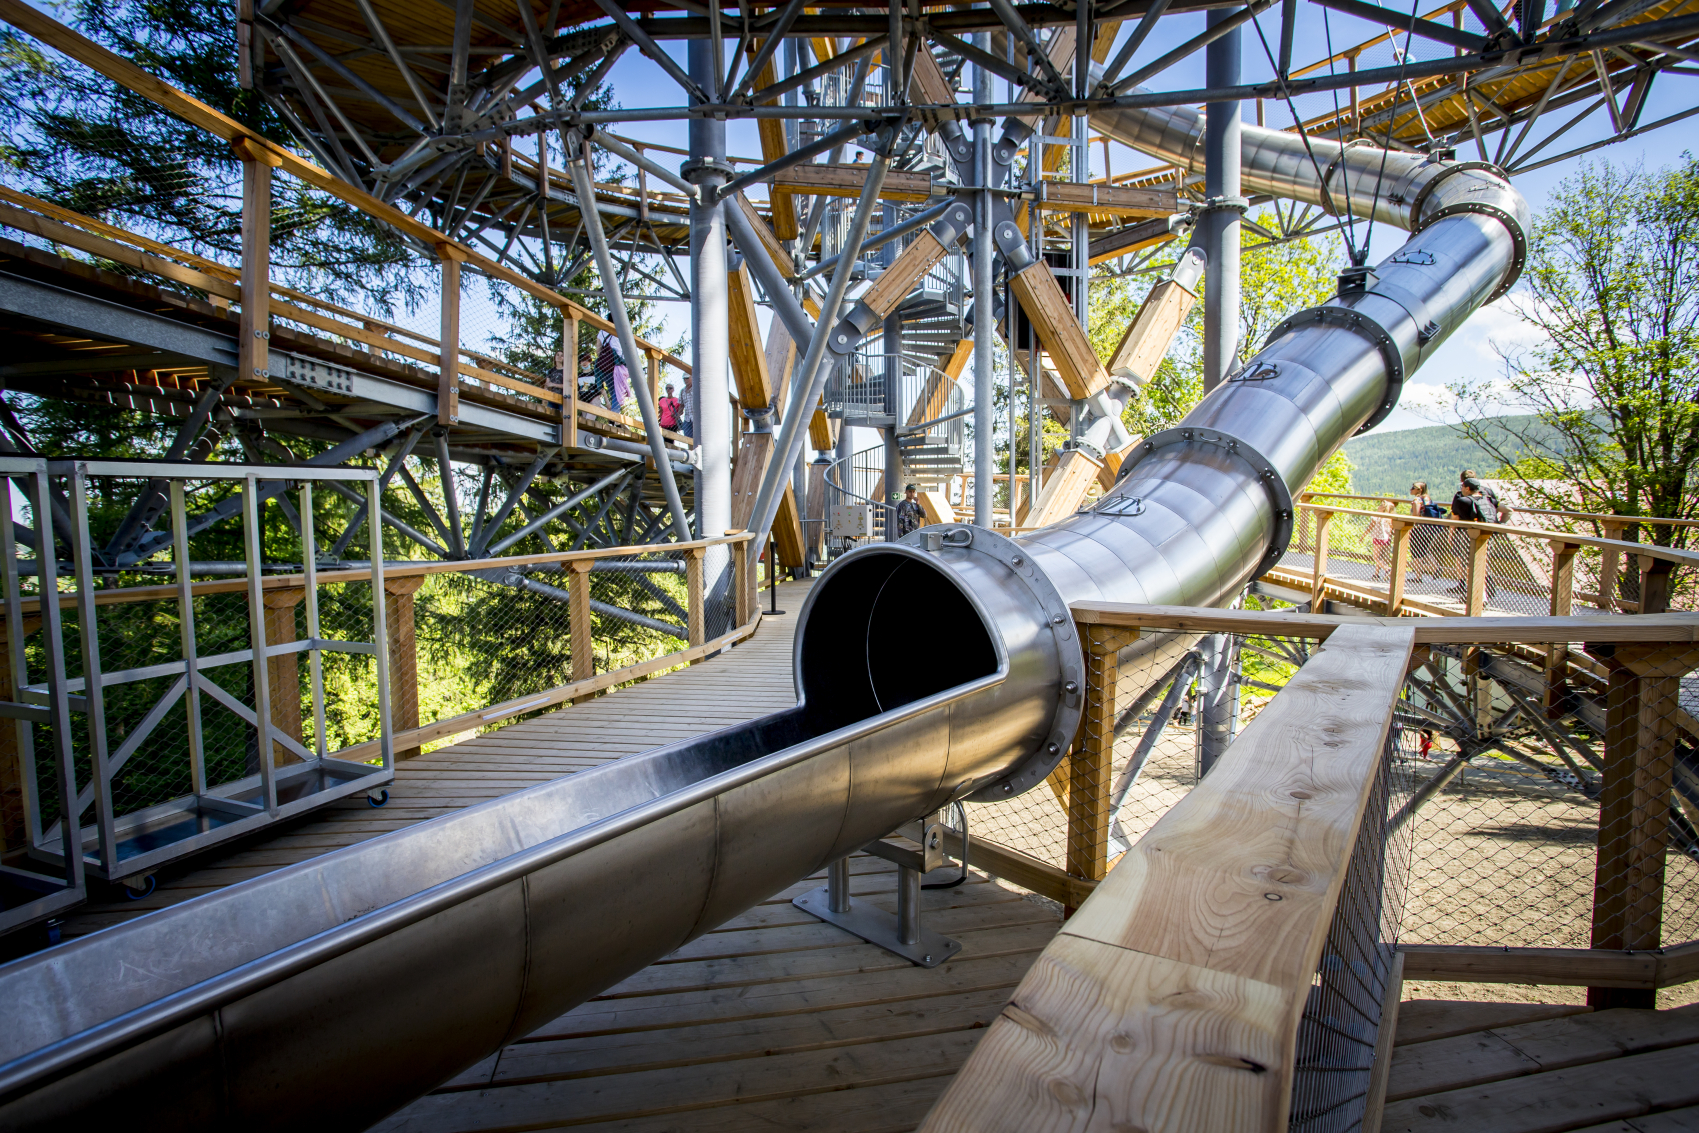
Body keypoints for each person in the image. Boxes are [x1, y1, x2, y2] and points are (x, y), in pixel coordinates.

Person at [1410, 481, 1446, 583]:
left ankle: (1418, 576)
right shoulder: (1428, 498)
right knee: (1424, 550)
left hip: (1419, 528)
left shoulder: (1417, 500)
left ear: (1419, 490)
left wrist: (1411, 525)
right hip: (1429, 528)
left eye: (1413, 487)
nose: (1411, 489)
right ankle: (1436, 567)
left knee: (1416, 552)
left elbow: (1416, 515)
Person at [1370, 498, 1395, 581]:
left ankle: (1387, 569)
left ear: (1384, 508)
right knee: (1382, 557)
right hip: (1386, 538)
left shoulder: (1378, 517)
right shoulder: (1389, 518)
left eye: (1381, 505)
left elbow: (1371, 526)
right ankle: (1376, 574)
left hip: (1378, 537)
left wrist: (1363, 536)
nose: (1379, 506)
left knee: (1376, 557)